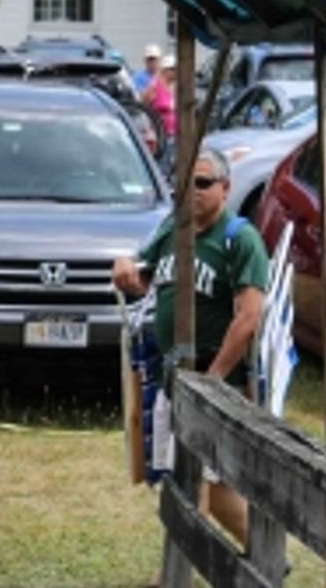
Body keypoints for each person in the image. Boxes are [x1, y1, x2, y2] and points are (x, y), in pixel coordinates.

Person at [112, 143, 270, 564]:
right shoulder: (172, 230)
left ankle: (170, 581)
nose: (193, 192)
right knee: (208, 488)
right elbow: (149, 282)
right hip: (171, 375)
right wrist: (126, 268)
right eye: (184, 184)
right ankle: (269, 555)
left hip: (214, 379)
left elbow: (249, 317)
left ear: (225, 187)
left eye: (202, 183)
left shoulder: (240, 240)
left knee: (192, 480)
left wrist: (212, 379)